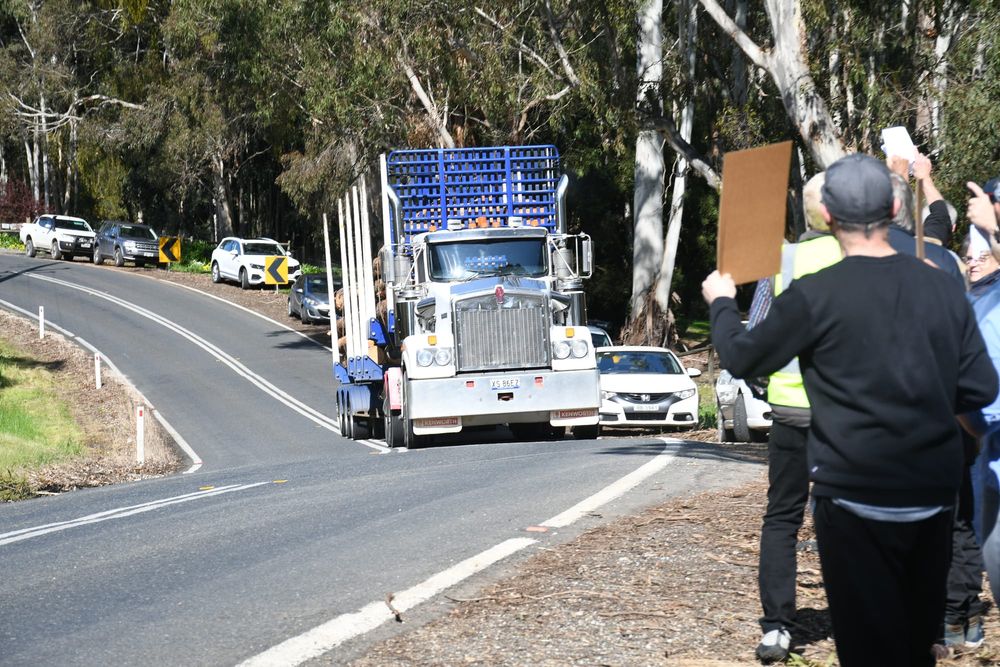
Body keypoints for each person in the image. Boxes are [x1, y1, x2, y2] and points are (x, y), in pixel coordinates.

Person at [704, 154, 998, 667]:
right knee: (915, 646)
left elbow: (740, 355)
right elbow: (980, 387)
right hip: (930, 497)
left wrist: (722, 301)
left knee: (865, 649)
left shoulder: (815, 296)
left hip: (852, 499)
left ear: (829, 217)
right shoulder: (940, 286)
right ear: (892, 207)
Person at [746, 173, 842, 663]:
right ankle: (855, 616)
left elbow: (758, 334)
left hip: (788, 411)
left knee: (781, 518)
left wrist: (765, 384)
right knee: (844, 516)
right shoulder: (856, 258)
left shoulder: (781, 261)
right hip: (844, 415)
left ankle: (778, 628)